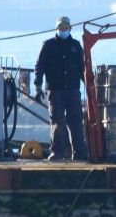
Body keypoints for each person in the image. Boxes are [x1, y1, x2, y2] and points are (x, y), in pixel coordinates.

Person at [33, 15, 88, 161]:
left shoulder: (76, 46)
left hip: (73, 90)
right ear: (57, 29)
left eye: (66, 28)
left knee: (75, 121)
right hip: (55, 90)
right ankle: (57, 152)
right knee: (57, 121)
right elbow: (39, 66)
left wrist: (89, 85)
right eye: (61, 28)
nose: (63, 30)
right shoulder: (48, 45)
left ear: (70, 28)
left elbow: (83, 68)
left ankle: (79, 153)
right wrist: (37, 86)